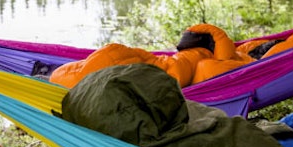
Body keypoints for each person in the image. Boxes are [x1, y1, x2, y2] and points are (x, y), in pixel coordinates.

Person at [48, 23, 253, 89]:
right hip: (161, 63)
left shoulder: (213, 63)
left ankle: (58, 76)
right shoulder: (216, 56)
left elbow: (209, 68)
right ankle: (60, 76)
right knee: (115, 56)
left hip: (162, 71)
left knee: (114, 61)